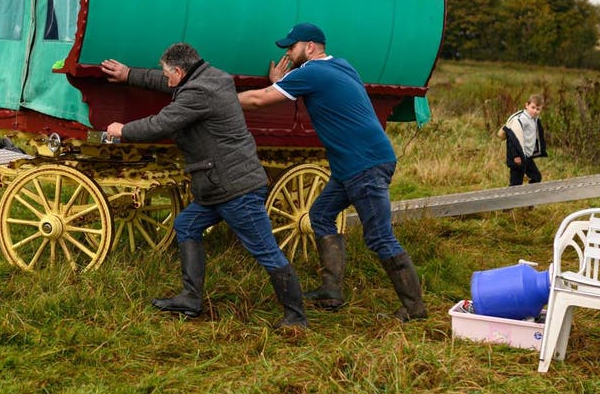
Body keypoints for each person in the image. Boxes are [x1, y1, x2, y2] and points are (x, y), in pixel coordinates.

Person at [102, 42, 308, 330]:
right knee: (186, 224)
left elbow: (162, 123)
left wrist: (123, 130)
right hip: (218, 185)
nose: (167, 80)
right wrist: (128, 74)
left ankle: (296, 318)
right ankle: (190, 298)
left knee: (265, 250)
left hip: (235, 188)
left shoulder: (198, 93)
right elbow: (164, 82)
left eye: (168, 74)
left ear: (179, 70)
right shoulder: (211, 77)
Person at [238, 23, 427, 322]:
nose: (288, 52)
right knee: (321, 215)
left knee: (379, 237)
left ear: (310, 47)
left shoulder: (310, 72)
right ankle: (331, 291)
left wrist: (217, 101)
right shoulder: (342, 65)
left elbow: (260, 99)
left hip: (363, 165)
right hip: (355, 164)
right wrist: (284, 81)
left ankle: (414, 309)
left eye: (292, 46)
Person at [500, 94, 546, 186]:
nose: (535, 111)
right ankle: (512, 199)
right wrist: (516, 156)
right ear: (526, 105)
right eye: (533, 107)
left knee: (536, 177)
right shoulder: (522, 120)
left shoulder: (534, 119)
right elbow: (512, 139)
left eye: (538, 109)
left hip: (527, 156)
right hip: (518, 157)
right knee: (515, 184)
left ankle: (527, 198)